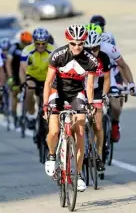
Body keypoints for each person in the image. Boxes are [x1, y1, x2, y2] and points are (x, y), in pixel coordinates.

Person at [43, 24, 98, 192]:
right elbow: (47, 82)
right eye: (73, 43)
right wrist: (45, 105)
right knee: (53, 131)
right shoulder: (58, 55)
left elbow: (89, 85)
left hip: (76, 93)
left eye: (80, 44)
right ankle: (52, 156)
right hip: (57, 91)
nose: (77, 47)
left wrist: (90, 104)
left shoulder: (90, 60)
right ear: (68, 41)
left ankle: (79, 173)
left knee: (80, 130)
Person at [86, 23, 136, 142]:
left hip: (108, 76)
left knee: (115, 104)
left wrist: (131, 84)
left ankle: (114, 125)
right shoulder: (79, 50)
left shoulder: (108, 48)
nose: (92, 51)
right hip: (89, 77)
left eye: (95, 48)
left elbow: (123, 66)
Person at [84, 30, 111, 171]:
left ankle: (99, 156)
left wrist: (105, 95)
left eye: (95, 48)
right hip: (79, 90)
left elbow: (106, 79)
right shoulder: (77, 57)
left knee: (98, 125)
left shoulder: (104, 58)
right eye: (89, 49)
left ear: (99, 47)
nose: (92, 52)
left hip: (95, 90)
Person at [20, 27, 56, 130]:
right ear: (33, 41)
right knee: (29, 88)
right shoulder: (27, 50)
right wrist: (23, 83)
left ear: (47, 42)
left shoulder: (52, 50)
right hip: (33, 77)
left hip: (47, 78)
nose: (41, 46)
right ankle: (31, 115)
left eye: (43, 44)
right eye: (38, 43)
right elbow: (22, 69)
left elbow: (59, 67)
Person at [6, 31, 33, 126]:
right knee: (14, 94)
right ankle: (14, 114)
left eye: (28, 43)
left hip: (26, 73)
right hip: (15, 74)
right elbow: (8, 62)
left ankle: (26, 114)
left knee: (27, 93)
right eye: (24, 43)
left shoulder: (31, 48)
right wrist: (10, 77)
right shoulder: (14, 47)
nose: (26, 45)